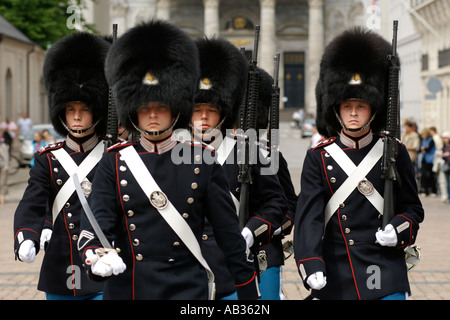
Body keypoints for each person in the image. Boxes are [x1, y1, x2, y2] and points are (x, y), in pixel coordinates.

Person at [77, 20, 259, 300]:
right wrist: (96, 253)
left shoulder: (204, 161)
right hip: (130, 286)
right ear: (133, 112)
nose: (152, 115)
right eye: (144, 108)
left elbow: (227, 233)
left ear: (176, 109)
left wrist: (248, 292)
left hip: (185, 288)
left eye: (160, 107)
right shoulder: (115, 161)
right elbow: (99, 215)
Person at [294, 27, 424, 300]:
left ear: (374, 109)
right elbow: (309, 217)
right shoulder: (319, 156)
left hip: (384, 265)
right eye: (346, 106)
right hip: (337, 266)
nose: (353, 113)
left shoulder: (394, 151)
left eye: (361, 106)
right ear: (336, 108)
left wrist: (398, 229)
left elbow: (411, 207)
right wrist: (309, 260)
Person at [13, 32, 111, 300]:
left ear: (97, 110)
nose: (77, 116)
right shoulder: (49, 157)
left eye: (84, 108)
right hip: (61, 263)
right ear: (61, 113)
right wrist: (26, 234)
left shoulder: (114, 155)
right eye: (70, 109)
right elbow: (33, 201)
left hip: (104, 263)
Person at [188, 37, 287, 300]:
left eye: (211, 110)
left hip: (235, 266)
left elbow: (276, 201)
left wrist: (252, 229)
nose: (204, 118)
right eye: (197, 110)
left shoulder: (247, 150)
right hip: (189, 268)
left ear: (223, 113)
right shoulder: (173, 153)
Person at [419, 128, 436, 197]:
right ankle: (425, 191)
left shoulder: (431, 140)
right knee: (424, 175)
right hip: (424, 159)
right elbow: (421, 149)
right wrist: (423, 149)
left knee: (431, 175)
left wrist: (424, 149)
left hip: (430, 160)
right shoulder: (423, 140)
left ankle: (433, 190)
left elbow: (427, 149)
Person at [440, 131, 450, 203]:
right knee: (447, 182)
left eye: (445, 138)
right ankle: (448, 197)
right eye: (443, 138)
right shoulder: (444, 146)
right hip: (447, 165)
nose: (444, 140)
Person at [0, 133, 9, 205]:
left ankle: (2, 199)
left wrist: (6, 166)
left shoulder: (3, 146)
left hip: (2, 167)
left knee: (2, 183)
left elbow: (6, 157)